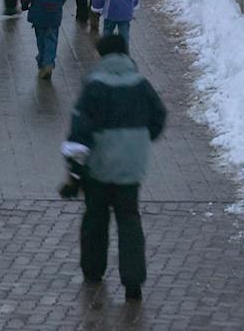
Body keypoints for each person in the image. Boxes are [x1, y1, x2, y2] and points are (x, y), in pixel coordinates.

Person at [67, 32, 167, 301]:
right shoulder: (140, 83)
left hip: (99, 166)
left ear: (102, 55)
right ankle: (133, 282)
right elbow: (159, 116)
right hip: (131, 167)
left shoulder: (94, 85)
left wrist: (74, 170)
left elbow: (79, 129)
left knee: (95, 218)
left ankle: (93, 271)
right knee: (129, 221)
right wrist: (142, 139)